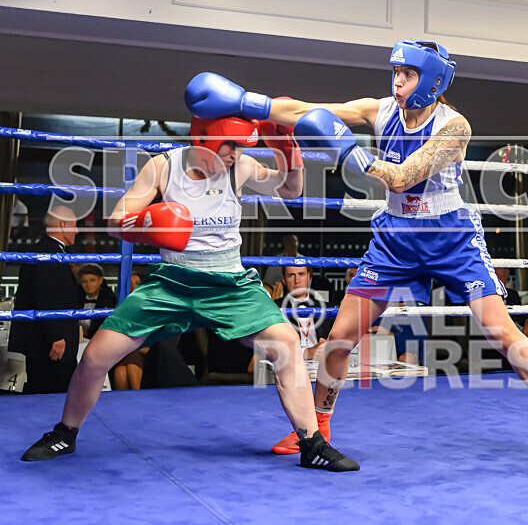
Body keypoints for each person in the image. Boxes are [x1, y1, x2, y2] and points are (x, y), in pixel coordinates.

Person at [185, 40, 528, 472]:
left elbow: (402, 177)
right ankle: (318, 429)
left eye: (408, 75)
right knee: (339, 339)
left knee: (503, 334)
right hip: (396, 238)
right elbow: (306, 111)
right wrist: (247, 101)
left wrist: (349, 150)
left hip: (450, 237)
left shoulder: (455, 128)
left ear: (433, 81)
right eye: (395, 73)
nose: (398, 82)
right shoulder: (379, 109)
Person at [21, 116, 358, 471]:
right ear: (206, 140)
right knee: (95, 356)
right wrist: (149, 224)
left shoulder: (239, 165)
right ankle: (65, 433)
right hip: (172, 284)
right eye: (230, 146)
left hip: (229, 285)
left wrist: (288, 152)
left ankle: (312, 444)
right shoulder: (163, 166)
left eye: (240, 148)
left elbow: (289, 190)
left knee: (286, 343)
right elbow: (119, 218)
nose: (236, 154)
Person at [8, 207, 81, 394]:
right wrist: (55, 336)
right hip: (51, 345)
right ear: (63, 225)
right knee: (52, 391)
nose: (77, 231)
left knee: (45, 389)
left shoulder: (45, 250)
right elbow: (46, 295)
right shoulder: (48, 252)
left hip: (45, 341)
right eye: (74, 226)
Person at [76, 264, 117, 340]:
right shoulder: (76, 297)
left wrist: (87, 332)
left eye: (92, 280)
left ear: (100, 280)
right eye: (84, 281)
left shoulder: (110, 300)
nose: (88, 285)